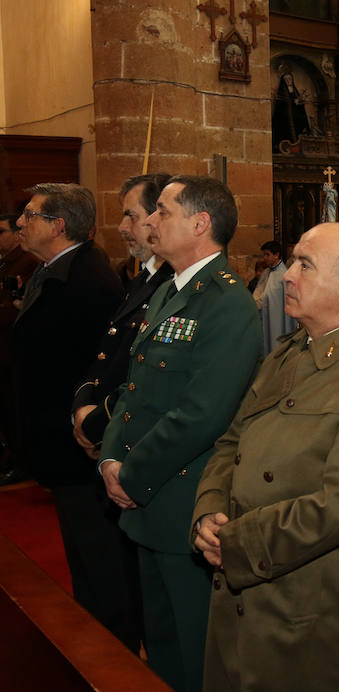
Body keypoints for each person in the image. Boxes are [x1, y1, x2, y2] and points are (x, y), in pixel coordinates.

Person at [193, 222, 339, 692]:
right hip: (246, 596)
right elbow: (231, 443)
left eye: (305, 265)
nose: (288, 275)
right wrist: (209, 510)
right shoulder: (286, 355)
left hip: (310, 610)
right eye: (292, 263)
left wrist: (238, 542)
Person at [99, 175, 261, 692]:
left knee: (195, 655)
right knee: (162, 646)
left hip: (183, 501)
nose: (149, 221)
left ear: (200, 224)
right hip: (146, 500)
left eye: (162, 211)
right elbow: (134, 387)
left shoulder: (227, 303)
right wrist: (108, 459)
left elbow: (204, 413)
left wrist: (132, 473)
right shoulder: (171, 290)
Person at [11, 183, 128, 641]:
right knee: (82, 554)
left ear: (58, 226)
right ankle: (92, 635)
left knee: (99, 556)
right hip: (58, 440)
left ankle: (110, 648)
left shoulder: (86, 281)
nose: (20, 223)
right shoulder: (53, 269)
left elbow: (96, 368)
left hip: (78, 444)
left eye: (30, 215)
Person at [73, 173, 174, 459]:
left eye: (131, 216)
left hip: (133, 440)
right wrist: (82, 405)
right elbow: (106, 353)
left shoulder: (171, 286)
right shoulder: (141, 281)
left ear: (158, 218)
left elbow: (143, 375)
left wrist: (96, 424)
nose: (121, 227)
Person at [0, 212, 39, 485]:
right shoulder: (6, 262)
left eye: (2, 232)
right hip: (4, 348)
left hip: (13, 349)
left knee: (13, 409)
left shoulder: (29, 262)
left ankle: (21, 461)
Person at [256, 240, 295, 356]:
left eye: (267, 255)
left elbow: (271, 298)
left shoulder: (284, 275)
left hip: (277, 321)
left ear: (276, 255)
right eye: (264, 255)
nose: (265, 258)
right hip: (265, 317)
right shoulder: (267, 272)